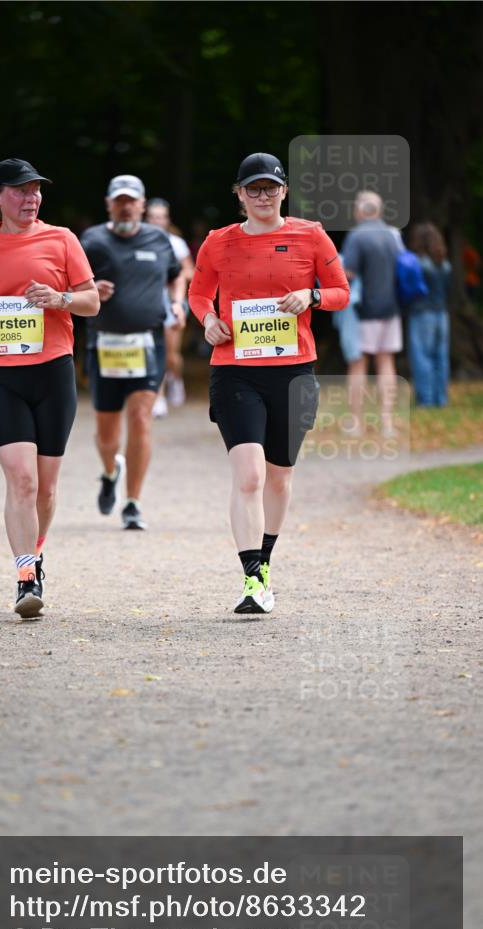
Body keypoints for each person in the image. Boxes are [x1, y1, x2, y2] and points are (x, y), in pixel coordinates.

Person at [188, 152, 349, 614]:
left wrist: (311, 295)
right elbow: (198, 293)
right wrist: (208, 320)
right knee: (250, 476)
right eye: (253, 189)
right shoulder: (218, 242)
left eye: (271, 187)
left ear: (284, 191)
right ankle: (252, 577)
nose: (263, 196)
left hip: (293, 371)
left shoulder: (310, 234)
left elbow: (341, 292)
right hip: (235, 370)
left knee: (279, 477)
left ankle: (266, 561)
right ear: (240, 194)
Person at [0, 158, 99, 617]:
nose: (31, 198)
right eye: (20, 190)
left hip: (52, 372)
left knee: (46, 488)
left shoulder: (62, 239)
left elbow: (91, 301)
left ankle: (36, 550)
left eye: (35, 190)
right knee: (22, 479)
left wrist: (60, 299)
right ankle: (25, 577)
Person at [80, 175, 185, 530]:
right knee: (107, 433)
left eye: (132, 201)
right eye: (119, 201)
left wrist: (176, 302)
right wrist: (91, 290)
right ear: (109, 204)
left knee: (141, 418)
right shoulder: (92, 240)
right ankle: (110, 471)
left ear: (142, 205)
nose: (126, 207)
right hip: (104, 343)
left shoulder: (158, 239)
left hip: (147, 342)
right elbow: (68, 285)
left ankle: (132, 503)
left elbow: (176, 275)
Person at [341, 191, 402, 437]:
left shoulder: (357, 236)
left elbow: (348, 273)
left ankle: (356, 423)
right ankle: (387, 423)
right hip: (391, 309)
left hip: (364, 311)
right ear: (379, 210)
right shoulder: (393, 235)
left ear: (360, 210)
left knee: (358, 364)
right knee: (386, 363)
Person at [145, 198, 194, 414]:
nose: (157, 221)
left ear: (167, 219)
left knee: (170, 354)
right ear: (147, 219)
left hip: (172, 300)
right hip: (148, 300)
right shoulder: (138, 241)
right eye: (153, 217)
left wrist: (171, 277)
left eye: (161, 217)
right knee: (153, 349)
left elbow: (190, 271)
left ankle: (175, 377)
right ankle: (159, 396)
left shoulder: (176, 243)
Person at [406, 223, 452, 406]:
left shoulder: (417, 264)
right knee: (441, 357)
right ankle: (440, 398)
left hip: (422, 314)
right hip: (442, 315)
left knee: (422, 356)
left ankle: (425, 399)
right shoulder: (445, 264)